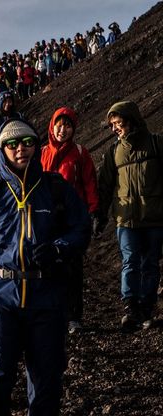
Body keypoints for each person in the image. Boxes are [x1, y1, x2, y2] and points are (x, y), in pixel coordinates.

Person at [0, 119, 91, 416]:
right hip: (1, 298)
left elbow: (82, 228)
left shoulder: (55, 188)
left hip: (47, 298)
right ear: (2, 149)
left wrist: (57, 248)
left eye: (27, 142)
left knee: (45, 382)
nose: (20, 149)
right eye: (12, 144)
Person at [96, 101, 163, 331]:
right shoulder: (114, 152)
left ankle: (147, 308)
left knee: (150, 264)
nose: (115, 128)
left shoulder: (156, 143)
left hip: (154, 217)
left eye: (118, 122)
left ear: (131, 119)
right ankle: (131, 308)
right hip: (125, 219)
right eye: (112, 124)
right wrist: (99, 214)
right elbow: (104, 185)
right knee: (130, 262)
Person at [41, 107, 99, 334]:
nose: (62, 130)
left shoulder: (80, 153)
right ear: (52, 125)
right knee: (47, 266)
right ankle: (52, 314)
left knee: (73, 268)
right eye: (59, 124)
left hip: (72, 219)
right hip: (46, 217)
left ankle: (74, 317)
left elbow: (89, 184)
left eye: (67, 125)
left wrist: (93, 211)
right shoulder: (42, 152)